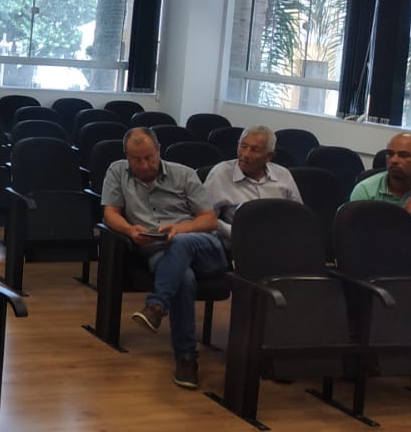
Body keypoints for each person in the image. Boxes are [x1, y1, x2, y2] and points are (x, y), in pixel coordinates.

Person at [101, 127, 226, 390]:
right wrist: (130, 230)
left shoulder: (184, 174)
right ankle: (186, 358)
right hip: (159, 251)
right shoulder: (117, 171)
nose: (144, 165)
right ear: (126, 157)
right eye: (136, 160)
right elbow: (110, 213)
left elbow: (209, 220)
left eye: (149, 157)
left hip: (202, 247)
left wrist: (180, 229)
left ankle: (157, 305)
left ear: (159, 150)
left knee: (179, 242)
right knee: (184, 279)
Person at [203, 125, 301, 244]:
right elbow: (205, 218)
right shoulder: (221, 174)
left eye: (255, 150)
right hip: (240, 243)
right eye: (243, 146)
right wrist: (236, 232)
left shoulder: (283, 175)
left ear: (269, 156)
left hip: (281, 242)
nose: (245, 154)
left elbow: (298, 216)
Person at [351, 131, 411, 259]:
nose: (394, 160)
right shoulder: (366, 190)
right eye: (390, 154)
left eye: (403, 155)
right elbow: (351, 235)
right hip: (380, 262)